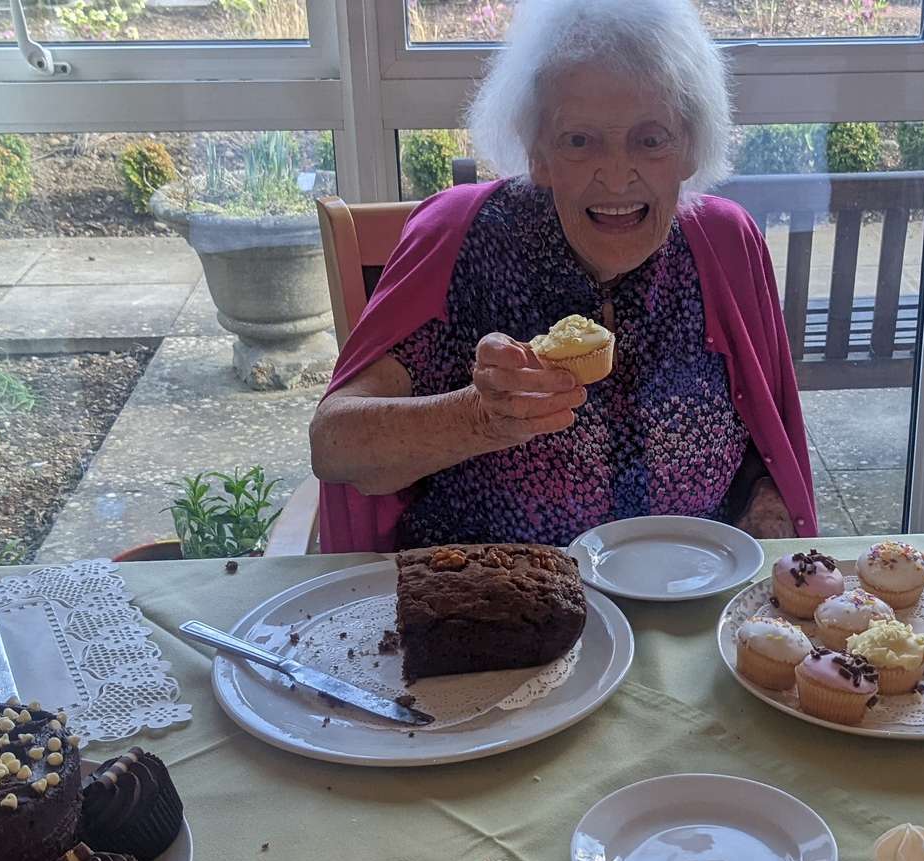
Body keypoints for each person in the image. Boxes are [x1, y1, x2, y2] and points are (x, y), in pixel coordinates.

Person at [308, 0, 815, 553]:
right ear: (538, 152)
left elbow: (768, 447)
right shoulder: (460, 240)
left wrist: (767, 518)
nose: (616, 176)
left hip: (686, 589)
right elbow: (335, 444)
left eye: (650, 139)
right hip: (497, 593)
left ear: (689, 148)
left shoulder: (724, 244)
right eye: (579, 140)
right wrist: (480, 418)